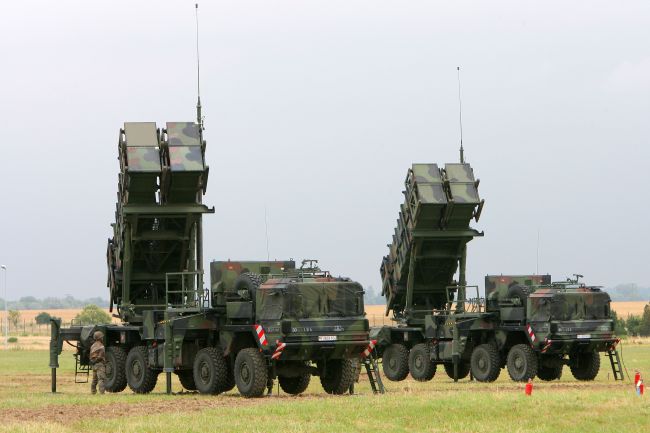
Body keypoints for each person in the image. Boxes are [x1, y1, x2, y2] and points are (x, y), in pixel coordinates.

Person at [89, 330, 106, 394]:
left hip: (94, 364)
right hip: (100, 364)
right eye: (102, 337)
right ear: (100, 338)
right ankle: (102, 393)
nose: (102, 338)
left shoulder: (92, 346)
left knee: (94, 380)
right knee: (101, 379)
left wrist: (93, 361)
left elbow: (91, 355)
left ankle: (93, 392)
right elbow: (101, 356)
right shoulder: (101, 346)